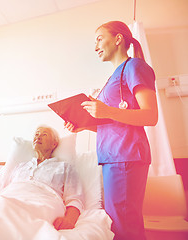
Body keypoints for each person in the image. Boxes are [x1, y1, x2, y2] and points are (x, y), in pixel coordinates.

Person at [65, 21, 158, 239]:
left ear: (118, 39)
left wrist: (107, 111)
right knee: (119, 223)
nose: (95, 46)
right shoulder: (112, 79)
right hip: (113, 157)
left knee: (125, 226)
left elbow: (151, 116)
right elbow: (112, 124)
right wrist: (83, 125)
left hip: (125, 156)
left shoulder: (135, 67)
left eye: (99, 39)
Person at [0, 126, 84, 230]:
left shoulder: (65, 168)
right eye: (36, 134)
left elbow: (75, 199)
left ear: (54, 144)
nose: (38, 137)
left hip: (41, 203)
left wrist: (69, 220)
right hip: (8, 199)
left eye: (44, 135)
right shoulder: (19, 166)